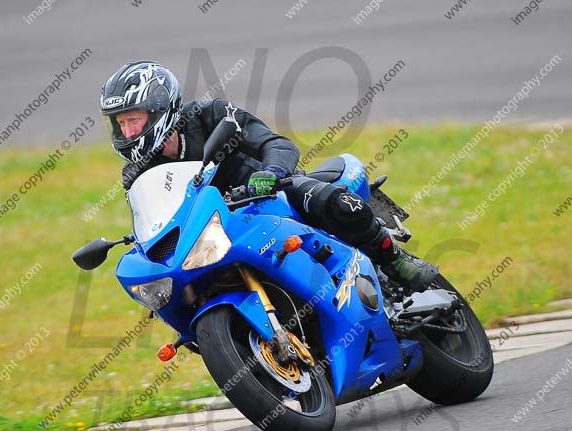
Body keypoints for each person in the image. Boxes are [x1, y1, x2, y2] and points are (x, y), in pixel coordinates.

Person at [100, 61, 437, 292]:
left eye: (134, 119)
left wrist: (272, 173)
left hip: (268, 196)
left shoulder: (210, 115)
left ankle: (394, 259)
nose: (127, 130)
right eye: (121, 123)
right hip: (216, 227)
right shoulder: (135, 172)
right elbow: (154, 217)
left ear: (161, 110)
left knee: (339, 204)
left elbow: (275, 143)